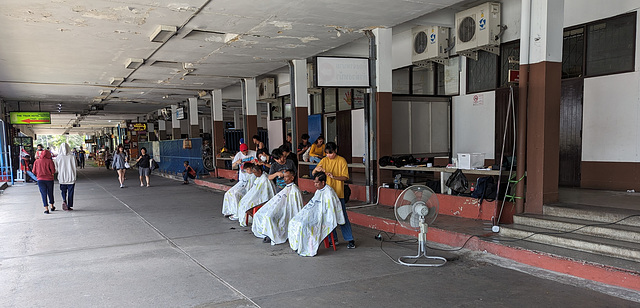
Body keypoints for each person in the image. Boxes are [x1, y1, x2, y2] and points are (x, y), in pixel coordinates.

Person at [288, 172, 345, 256]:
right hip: (315, 215)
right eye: (314, 182)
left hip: (324, 218)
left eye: (317, 183)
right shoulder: (319, 191)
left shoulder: (329, 192)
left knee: (304, 225)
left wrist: (317, 216)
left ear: (323, 182)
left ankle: (308, 248)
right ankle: (298, 245)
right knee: (294, 221)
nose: (315, 185)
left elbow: (329, 211)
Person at [313, 142, 356, 249]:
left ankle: (350, 239)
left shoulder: (341, 160)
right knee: (328, 217)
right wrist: (316, 170)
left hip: (338, 194)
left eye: (330, 153)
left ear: (335, 151)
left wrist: (334, 177)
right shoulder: (324, 160)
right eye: (327, 153)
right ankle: (333, 239)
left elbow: (345, 177)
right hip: (326, 195)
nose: (329, 155)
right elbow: (315, 174)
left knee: (342, 217)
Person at [252, 169, 303, 245]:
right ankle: (266, 232)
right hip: (281, 208)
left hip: (287, 211)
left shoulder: (295, 190)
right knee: (259, 214)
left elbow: (295, 207)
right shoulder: (286, 188)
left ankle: (271, 235)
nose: (284, 179)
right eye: (284, 177)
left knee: (269, 216)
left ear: (292, 178)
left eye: (286, 177)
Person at [33, 148, 56, 214]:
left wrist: (39, 174)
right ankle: (52, 206)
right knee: (50, 193)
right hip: (49, 179)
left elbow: (33, 171)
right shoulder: (50, 161)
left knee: (43, 193)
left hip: (40, 180)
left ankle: (46, 209)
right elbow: (53, 171)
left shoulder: (36, 161)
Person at [55, 143, 77, 211]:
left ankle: (64, 199)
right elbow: (76, 165)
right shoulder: (72, 157)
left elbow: (56, 168)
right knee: (71, 192)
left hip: (62, 178)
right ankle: (69, 205)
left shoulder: (58, 158)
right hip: (71, 177)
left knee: (63, 191)